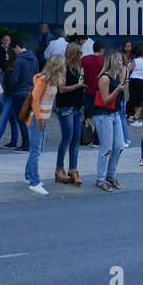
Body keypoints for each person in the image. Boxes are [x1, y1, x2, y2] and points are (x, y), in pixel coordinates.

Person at [24, 54, 64, 194]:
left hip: (42, 119)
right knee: (36, 151)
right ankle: (34, 182)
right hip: (38, 119)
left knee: (37, 150)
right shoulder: (44, 80)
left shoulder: (52, 80)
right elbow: (35, 100)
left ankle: (29, 176)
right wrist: (40, 118)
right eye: (62, 65)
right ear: (56, 66)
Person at [92, 51, 129, 191]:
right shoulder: (104, 78)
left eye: (122, 61)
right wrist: (118, 90)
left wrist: (121, 84)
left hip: (114, 114)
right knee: (106, 148)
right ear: (113, 61)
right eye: (119, 60)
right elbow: (105, 99)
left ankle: (111, 175)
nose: (122, 63)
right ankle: (100, 179)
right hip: (103, 115)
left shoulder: (117, 76)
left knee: (119, 146)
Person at [53, 43, 85, 185]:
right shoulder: (63, 67)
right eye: (79, 54)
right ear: (73, 54)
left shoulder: (77, 68)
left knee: (76, 139)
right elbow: (61, 89)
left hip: (77, 107)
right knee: (67, 138)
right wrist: (78, 85)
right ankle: (59, 169)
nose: (81, 56)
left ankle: (73, 169)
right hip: (66, 107)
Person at [128, 46, 143, 124]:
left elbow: (129, 69)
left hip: (134, 81)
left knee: (135, 100)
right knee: (141, 100)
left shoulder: (135, 61)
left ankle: (137, 118)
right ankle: (139, 117)